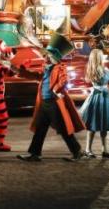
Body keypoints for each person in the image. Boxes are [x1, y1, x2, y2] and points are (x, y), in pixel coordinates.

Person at [17, 33, 86, 162]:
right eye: (47, 55)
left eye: (50, 55)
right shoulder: (46, 69)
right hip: (44, 103)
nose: (47, 57)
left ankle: (77, 151)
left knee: (63, 128)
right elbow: (35, 76)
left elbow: (64, 80)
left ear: (55, 57)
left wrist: (55, 89)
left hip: (54, 103)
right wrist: (21, 71)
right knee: (40, 128)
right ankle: (35, 154)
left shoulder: (60, 68)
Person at [79, 36, 109, 159]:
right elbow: (106, 79)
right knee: (96, 124)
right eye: (101, 56)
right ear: (97, 58)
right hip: (100, 97)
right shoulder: (98, 69)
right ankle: (93, 149)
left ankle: (99, 149)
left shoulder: (96, 68)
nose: (104, 57)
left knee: (98, 124)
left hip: (99, 97)